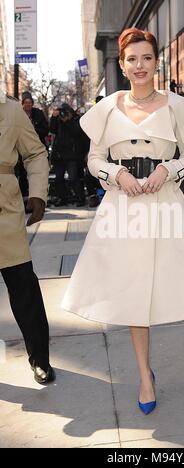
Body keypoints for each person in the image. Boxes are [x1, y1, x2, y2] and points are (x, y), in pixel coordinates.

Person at [61, 28, 184, 416]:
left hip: (166, 203)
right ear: (122, 66)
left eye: (146, 58)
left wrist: (169, 170)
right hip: (123, 206)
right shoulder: (106, 108)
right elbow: (93, 160)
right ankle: (144, 376)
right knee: (134, 295)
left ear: (157, 62)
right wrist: (114, 175)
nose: (140, 66)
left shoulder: (176, 106)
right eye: (132, 59)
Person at [0, 88, 55, 385]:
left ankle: (40, 360)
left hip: (4, 212)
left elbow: (35, 153)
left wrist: (38, 195)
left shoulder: (10, 111)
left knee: (24, 289)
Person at [50, 103, 86, 207]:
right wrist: (53, 117)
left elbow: (76, 132)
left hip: (71, 155)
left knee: (73, 177)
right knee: (59, 178)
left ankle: (80, 198)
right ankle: (62, 198)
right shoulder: (58, 120)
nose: (63, 114)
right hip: (59, 155)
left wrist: (68, 121)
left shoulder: (75, 120)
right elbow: (52, 130)